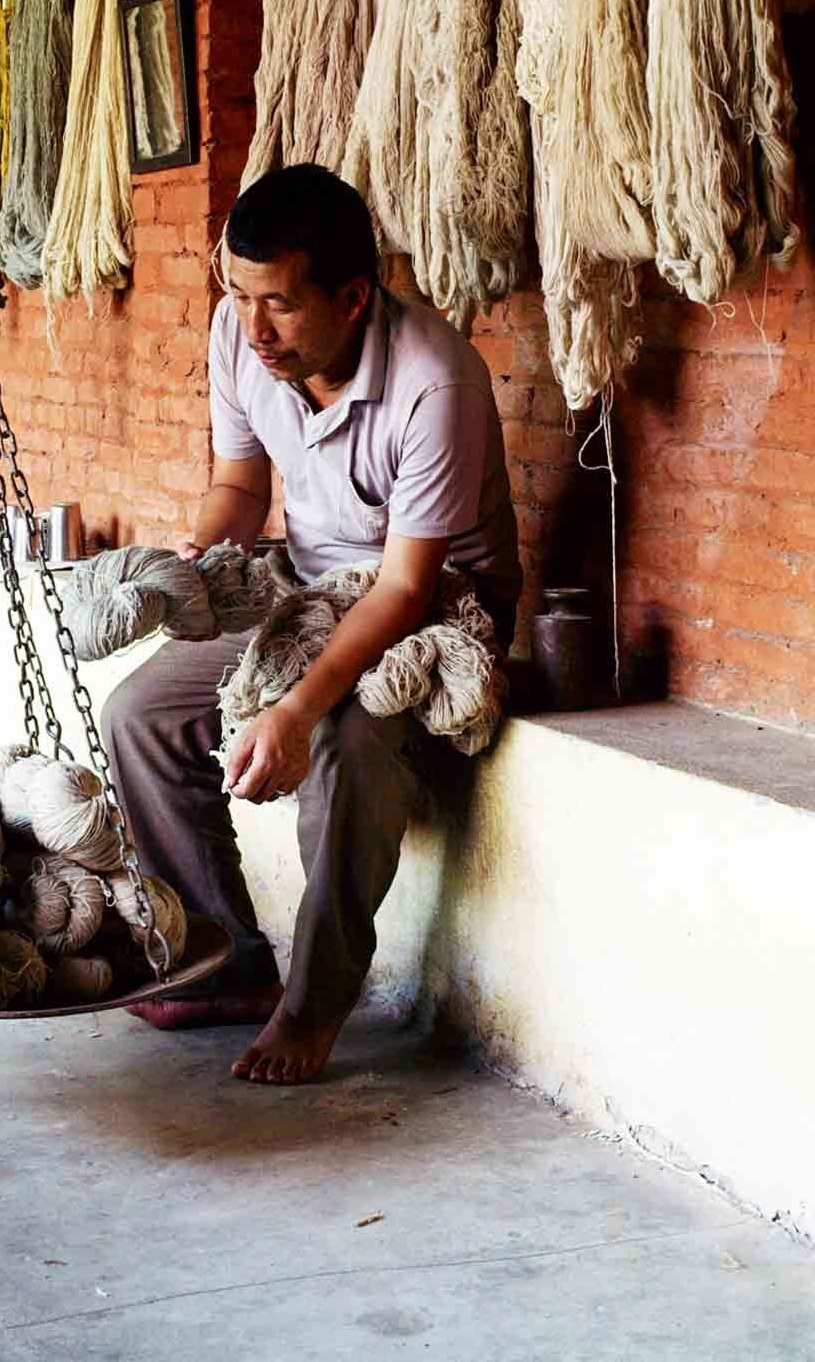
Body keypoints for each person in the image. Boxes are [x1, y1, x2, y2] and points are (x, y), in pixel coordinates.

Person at [103, 164, 521, 1085]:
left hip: (439, 606)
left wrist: (291, 713)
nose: (253, 330)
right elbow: (240, 488)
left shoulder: (433, 381)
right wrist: (190, 570)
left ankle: (314, 1003)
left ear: (354, 296)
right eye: (239, 296)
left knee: (347, 744)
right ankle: (228, 966)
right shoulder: (239, 337)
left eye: (281, 306)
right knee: (139, 714)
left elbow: (408, 590)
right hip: (304, 584)